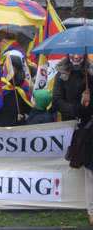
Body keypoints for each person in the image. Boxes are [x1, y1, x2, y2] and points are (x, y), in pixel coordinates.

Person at [52, 54, 93, 225]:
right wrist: (76, 108)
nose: (76, 57)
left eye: (79, 54)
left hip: (88, 123)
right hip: (70, 122)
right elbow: (57, 100)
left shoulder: (90, 74)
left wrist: (87, 103)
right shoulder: (61, 75)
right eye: (73, 54)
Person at [0, 55, 32, 127]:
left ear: (16, 67)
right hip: (2, 121)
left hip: (18, 121)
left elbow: (28, 105)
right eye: (4, 65)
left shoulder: (24, 84)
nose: (5, 68)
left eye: (8, 66)